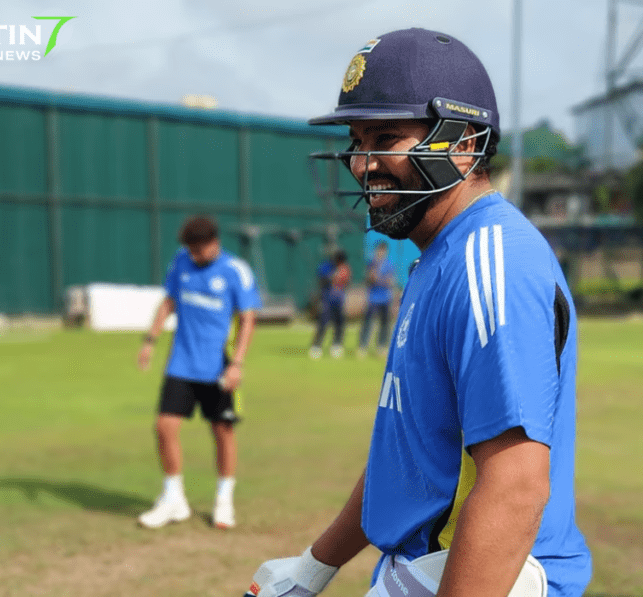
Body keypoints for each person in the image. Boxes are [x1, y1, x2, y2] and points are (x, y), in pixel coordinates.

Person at [247, 28, 591, 597]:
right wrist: (314, 566)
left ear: (465, 142)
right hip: (421, 573)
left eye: (386, 137)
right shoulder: (439, 257)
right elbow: (408, 459)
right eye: (358, 140)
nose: (363, 163)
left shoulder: (491, 262)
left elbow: (516, 487)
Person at [136, 215, 261, 529]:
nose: (194, 256)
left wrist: (237, 364)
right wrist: (150, 340)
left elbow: (248, 319)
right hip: (181, 363)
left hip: (219, 366)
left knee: (222, 433)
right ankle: (173, 499)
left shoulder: (236, 271)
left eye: (199, 250)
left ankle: (224, 500)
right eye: (190, 251)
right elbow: (168, 302)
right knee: (164, 428)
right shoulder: (181, 261)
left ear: (214, 242)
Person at [309, 250, 351, 359]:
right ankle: (316, 346)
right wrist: (332, 276)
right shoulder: (326, 266)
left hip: (339, 299)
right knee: (323, 322)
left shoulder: (344, 268)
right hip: (327, 299)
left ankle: (337, 345)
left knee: (339, 323)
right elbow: (321, 281)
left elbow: (347, 281)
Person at [358, 241, 395, 358]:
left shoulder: (389, 263)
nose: (381, 252)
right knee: (367, 323)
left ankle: (382, 346)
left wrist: (379, 279)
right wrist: (378, 278)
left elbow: (390, 281)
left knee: (385, 324)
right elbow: (370, 278)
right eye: (379, 250)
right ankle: (362, 346)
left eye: (383, 250)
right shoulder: (372, 263)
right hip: (373, 298)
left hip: (385, 298)